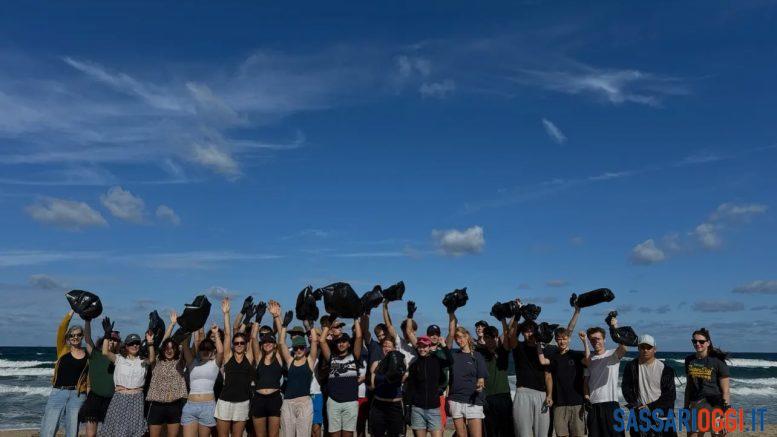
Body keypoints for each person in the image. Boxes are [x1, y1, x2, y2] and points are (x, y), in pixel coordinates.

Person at [536, 306, 586, 437]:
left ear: (568, 339)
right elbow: (544, 367)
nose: (562, 341)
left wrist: (577, 311)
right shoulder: (552, 354)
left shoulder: (575, 354)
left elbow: (570, 329)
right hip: (559, 402)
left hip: (576, 401)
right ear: (556, 339)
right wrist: (538, 342)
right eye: (559, 339)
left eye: (564, 338)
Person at [98, 330, 156, 437]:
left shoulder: (142, 361)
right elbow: (105, 352)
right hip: (120, 398)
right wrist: (107, 336)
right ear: (126, 346)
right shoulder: (119, 359)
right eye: (131, 343)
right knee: (117, 430)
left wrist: (150, 342)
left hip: (137, 399)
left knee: (134, 431)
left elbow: (152, 359)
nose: (134, 345)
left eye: (137, 343)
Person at [41, 309, 89, 437]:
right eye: (72, 335)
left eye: (78, 335)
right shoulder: (63, 349)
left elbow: (88, 379)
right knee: (48, 429)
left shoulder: (87, 355)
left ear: (82, 336)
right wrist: (72, 311)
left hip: (77, 396)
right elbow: (62, 328)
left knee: (72, 430)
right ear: (68, 337)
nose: (75, 337)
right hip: (58, 392)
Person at [275, 304, 319, 437]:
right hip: (288, 402)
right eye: (296, 348)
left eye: (301, 347)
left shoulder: (310, 361)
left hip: (305, 402)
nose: (298, 350)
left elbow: (315, 342)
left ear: (305, 348)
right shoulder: (290, 361)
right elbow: (281, 343)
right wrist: (284, 326)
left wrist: (311, 326)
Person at [621, 335, 677, 437]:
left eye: (649, 347)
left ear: (655, 349)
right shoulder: (631, 366)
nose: (645, 350)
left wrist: (650, 407)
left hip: (661, 415)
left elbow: (670, 395)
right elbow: (626, 388)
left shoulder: (665, 369)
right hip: (640, 414)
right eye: (642, 347)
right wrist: (636, 405)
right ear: (638, 348)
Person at [583, 315, 629, 437]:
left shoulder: (612, 354)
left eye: (598, 338)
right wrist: (586, 397)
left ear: (604, 339)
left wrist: (614, 326)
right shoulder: (589, 360)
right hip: (593, 406)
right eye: (592, 339)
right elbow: (586, 382)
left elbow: (624, 347)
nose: (595, 342)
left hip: (611, 405)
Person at [445, 307, 488, 437]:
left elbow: (481, 378)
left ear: (467, 336)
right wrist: (447, 398)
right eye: (457, 338)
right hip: (455, 400)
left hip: (473, 401)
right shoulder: (454, 356)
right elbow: (449, 380)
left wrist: (480, 385)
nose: (459, 341)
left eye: (462, 337)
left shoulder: (477, 356)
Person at [216, 298, 256, 437]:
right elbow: (227, 334)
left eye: (242, 343)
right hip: (224, 402)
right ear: (233, 344)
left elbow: (253, 337)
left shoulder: (249, 357)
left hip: (243, 403)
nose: (239, 344)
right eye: (236, 343)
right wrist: (226, 313)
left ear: (245, 344)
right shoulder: (228, 356)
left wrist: (256, 319)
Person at [319, 316, 363, 437]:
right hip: (333, 402)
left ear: (349, 344)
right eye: (338, 342)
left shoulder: (354, 357)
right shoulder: (331, 358)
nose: (341, 344)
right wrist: (329, 323)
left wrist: (355, 318)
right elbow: (322, 341)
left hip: (351, 403)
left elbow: (359, 336)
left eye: (344, 341)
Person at [146, 311, 188, 437]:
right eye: (166, 348)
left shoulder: (179, 362)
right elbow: (165, 340)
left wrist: (189, 328)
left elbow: (186, 344)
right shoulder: (157, 361)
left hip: (174, 406)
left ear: (176, 350)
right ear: (163, 349)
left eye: (172, 348)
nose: (169, 351)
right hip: (156, 405)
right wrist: (172, 324)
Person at [509, 317, 551, 437]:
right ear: (522, 333)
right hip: (522, 393)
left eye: (532, 330)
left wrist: (549, 395)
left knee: (542, 433)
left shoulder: (544, 350)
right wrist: (516, 318)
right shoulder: (519, 347)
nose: (530, 333)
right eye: (526, 331)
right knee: (523, 433)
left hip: (541, 395)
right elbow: (512, 337)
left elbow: (548, 375)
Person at [404, 333, 452, 437]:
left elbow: (450, 361)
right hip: (417, 409)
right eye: (420, 347)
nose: (422, 349)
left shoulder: (436, 360)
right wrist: (408, 409)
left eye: (425, 346)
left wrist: (444, 346)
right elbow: (410, 388)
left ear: (429, 347)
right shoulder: (414, 365)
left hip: (434, 408)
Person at [78, 317, 120, 437]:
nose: (112, 342)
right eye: (110, 339)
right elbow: (87, 338)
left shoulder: (120, 359)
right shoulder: (95, 353)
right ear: (104, 341)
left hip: (112, 400)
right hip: (94, 398)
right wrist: (87, 320)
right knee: (91, 434)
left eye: (115, 340)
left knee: (110, 433)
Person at [684, 328, 730, 437]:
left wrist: (726, 414)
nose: (697, 344)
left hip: (715, 406)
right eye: (694, 341)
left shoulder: (718, 361)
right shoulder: (689, 360)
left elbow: (726, 391)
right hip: (696, 405)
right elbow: (689, 386)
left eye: (701, 341)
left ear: (708, 343)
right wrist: (686, 408)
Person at [249, 301, 285, 437]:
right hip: (258, 399)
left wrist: (276, 316)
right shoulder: (258, 358)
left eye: (270, 341)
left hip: (274, 398)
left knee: (274, 435)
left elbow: (282, 337)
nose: (267, 343)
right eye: (264, 342)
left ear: (275, 345)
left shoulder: (279, 358)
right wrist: (258, 318)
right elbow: (253, 337)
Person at [181, 324, 224, 437]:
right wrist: (187, 328)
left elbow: (220, 351)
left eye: (208, 348)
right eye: (202, 348)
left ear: (212, 350)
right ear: (199, 350)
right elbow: (185, 347)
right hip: (190, 405)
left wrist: (215, 333)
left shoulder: (215, 364)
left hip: (208, 406)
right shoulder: (192, 362)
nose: (205, 351)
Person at [477, 324, 514, 437]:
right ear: (484, 339)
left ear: (497, 338)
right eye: (487, 337)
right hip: (487, 396)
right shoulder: (480, 353)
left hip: (503, 395)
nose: (490, 340)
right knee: (490, 430)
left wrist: (504, 319)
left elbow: (507, 334)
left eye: (492, 337)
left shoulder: (503, 350)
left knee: (507, 429)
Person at [368, 336, 408, 437]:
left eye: (389, 346)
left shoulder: (401, 362)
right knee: (377, 434)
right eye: (384, 346)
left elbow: (403, 379)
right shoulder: (376, 363)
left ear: (394, 348)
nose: (386, 348)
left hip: (395, 405)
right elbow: (371, 385)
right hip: (378, 404)